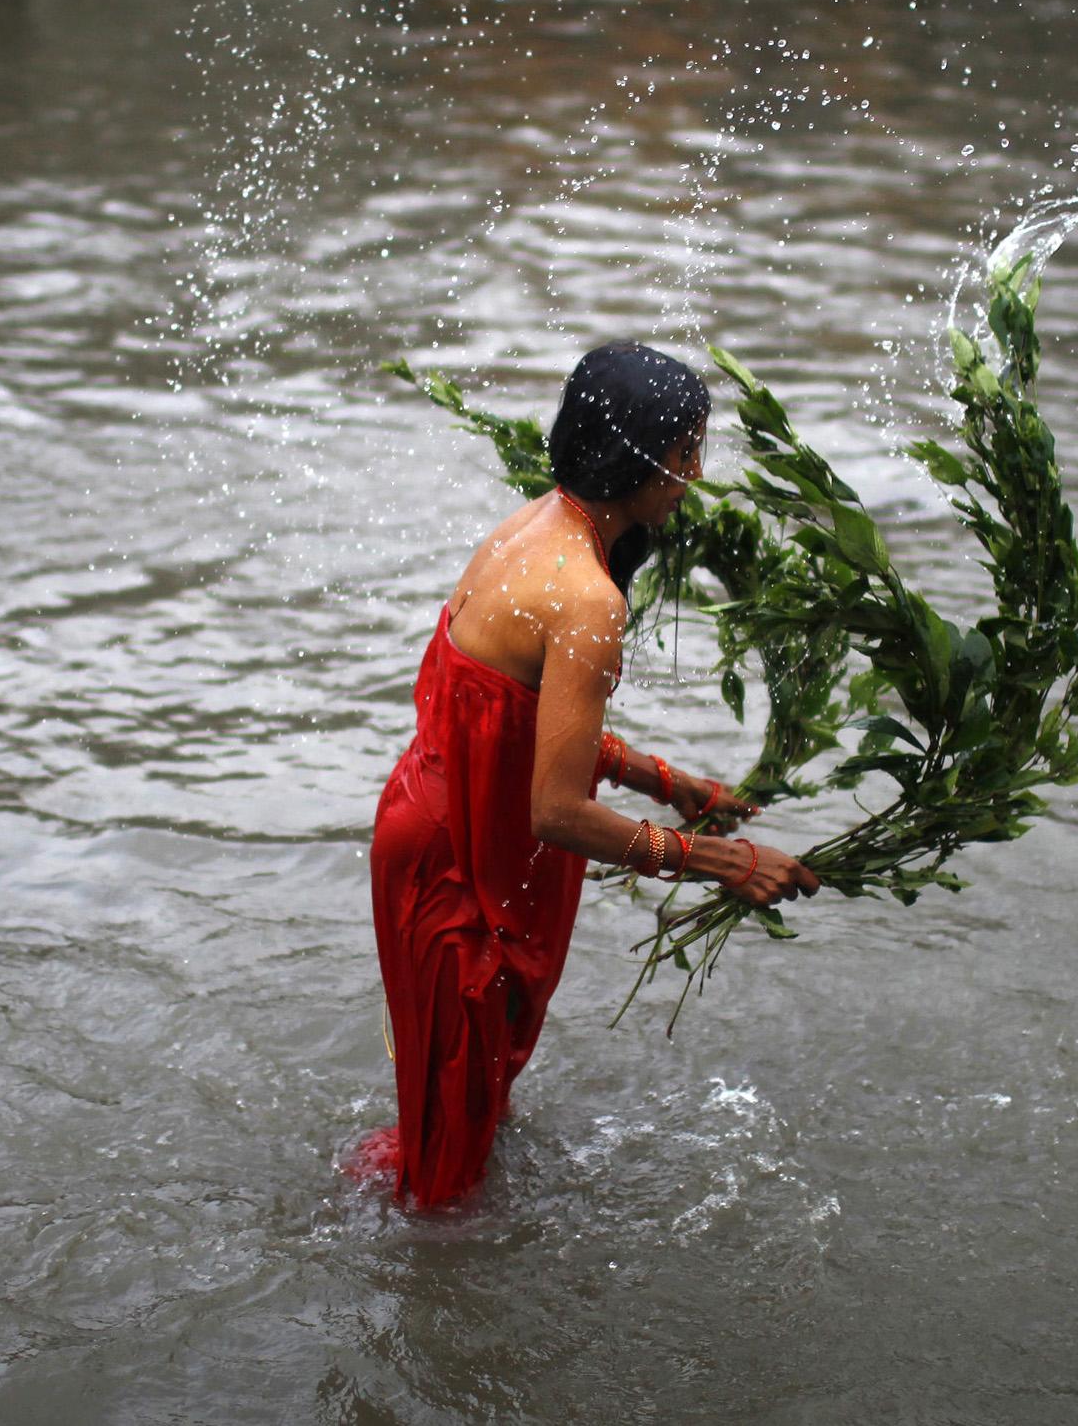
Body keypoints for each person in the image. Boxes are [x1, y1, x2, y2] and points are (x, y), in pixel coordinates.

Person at [352, 340, 822, 1209]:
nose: (693, 477)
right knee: (445, 1192)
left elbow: (502, 724)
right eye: (686, 455)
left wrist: (664, 779)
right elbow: (556, 812)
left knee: (458, 1106)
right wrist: (726, 860)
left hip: (425, 826)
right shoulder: (591, 601)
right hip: (462, 872)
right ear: (637, 464)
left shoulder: (530, 526)